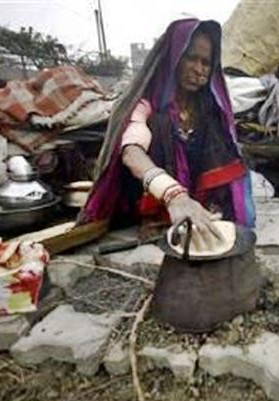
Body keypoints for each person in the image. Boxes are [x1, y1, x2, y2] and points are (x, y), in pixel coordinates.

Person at [80, 19, 254, 248]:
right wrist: (174, 196)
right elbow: (132, 152)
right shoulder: (147, 106)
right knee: (160, 124)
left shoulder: (210, 112)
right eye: (191, 58)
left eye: (206, 62)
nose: (199, 69)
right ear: (173, 58)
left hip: (199, 207)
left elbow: (227, 164)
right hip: (157, 205)